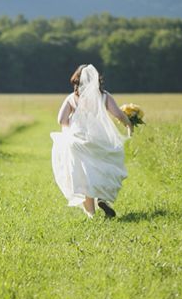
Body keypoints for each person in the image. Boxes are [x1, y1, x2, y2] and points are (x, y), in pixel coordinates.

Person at [51, 64, 133, 218]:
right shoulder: (104, 96)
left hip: (78, 141)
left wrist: (72, 130)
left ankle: (91, 215)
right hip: (100, 139)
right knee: (103, 167)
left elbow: (61, 119)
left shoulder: (72, 98)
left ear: (77, 79)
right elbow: (118, 115)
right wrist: (129, 124)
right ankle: (102, 198)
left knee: (83, 176)